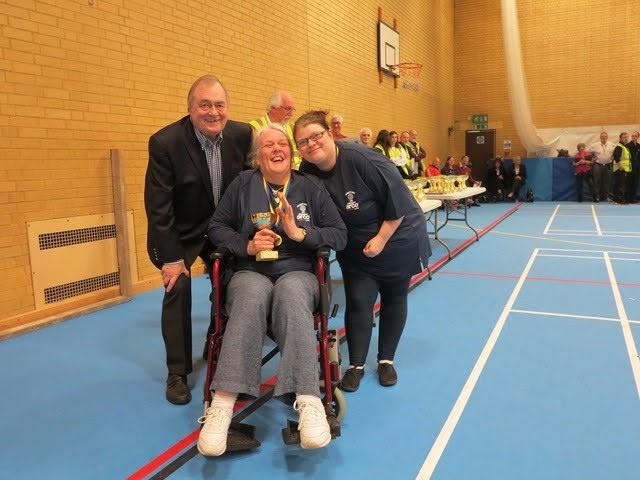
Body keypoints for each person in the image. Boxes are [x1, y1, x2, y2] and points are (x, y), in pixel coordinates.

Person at [197, 126, 347, 456]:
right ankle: (221, 408)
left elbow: (339, 235)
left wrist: (298, 233)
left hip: (297, 270)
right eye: (268, 145)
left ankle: (308, 402)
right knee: (250, 295)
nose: (276, 149)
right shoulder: (242, 184)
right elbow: (216, 227)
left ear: (291, 153)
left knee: (292, 295)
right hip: (251, 269)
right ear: (257, 155)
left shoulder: (311, 187)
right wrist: (246, 245)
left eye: (282, 144)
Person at [294, 111, 431, 392]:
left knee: (394, 296)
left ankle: (386, 360)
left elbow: (399, 202)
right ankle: (355, 365)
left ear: (330, 135)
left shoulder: (363, 159)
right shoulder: (307, 171)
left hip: (396, 233)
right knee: (358, 300)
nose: (311, 144)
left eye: (316, 136)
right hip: (355, 243)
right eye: (303, 141)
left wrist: (381, 238)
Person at [144, 75, 252, 405]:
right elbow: (158, 207)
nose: (213, 112)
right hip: (179, 231)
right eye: (204, 104)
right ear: (190, 108)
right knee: (178, 287)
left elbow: (251, 183)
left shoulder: (243, 134)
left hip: (222, 228)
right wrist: (173, 258)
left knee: (236, 281)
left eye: (219, 104)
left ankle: (215, 343)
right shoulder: (165, 142)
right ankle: (177, 371)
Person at [249, 91, 300, 169]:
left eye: (293, 109)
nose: (291, 114)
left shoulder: (292, 127)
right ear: (273, 107)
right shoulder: (254, 127)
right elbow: (252, 160)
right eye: (288, 109)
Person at [589, 131, 616, 202]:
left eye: (605, 136)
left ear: (607, 137)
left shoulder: (612, 145)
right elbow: (588, 153)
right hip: (598, 165)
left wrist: (614, 156)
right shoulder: (594, 145)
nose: (603, 138)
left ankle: (606, 197)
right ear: (600, 137)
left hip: (608, 165)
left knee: (608, 182)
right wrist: (592, 157)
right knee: (596, 181)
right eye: (602, 137)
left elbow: (616, 153)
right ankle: (596, 197)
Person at [612, 132, 632, 204]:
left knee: (620, 184)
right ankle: (620, 200)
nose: (626, 139)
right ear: (620, 138)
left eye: (627, 137)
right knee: (621, 185)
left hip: (625, 168)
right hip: (620, 169)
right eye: (624, 137)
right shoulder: (619, 146)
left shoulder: (625, 146)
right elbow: (616, 157)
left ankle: (617, 199)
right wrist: (621, 167)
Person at [626, 131, 639, 204]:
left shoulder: (639, 146)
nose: (634, 137)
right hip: (629, 167)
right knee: (629, 183)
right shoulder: (628, 145)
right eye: (633, 136)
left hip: (637, 168)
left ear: (638, 137)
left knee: (635, 183)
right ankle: (628, 199)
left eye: (635, 136)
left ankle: (633, 199)